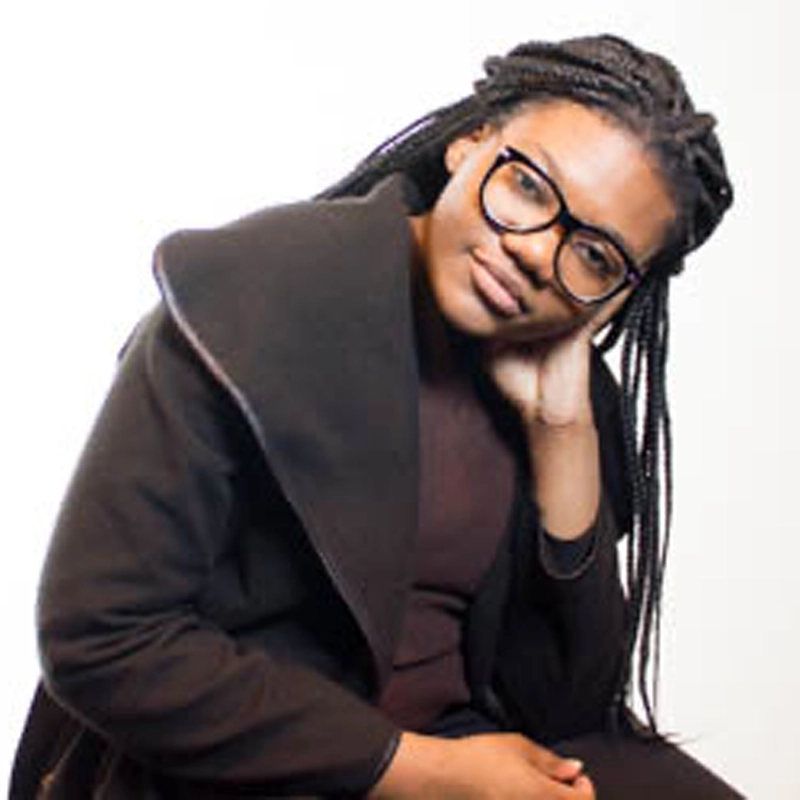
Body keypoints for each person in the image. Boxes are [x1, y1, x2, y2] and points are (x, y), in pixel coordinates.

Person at [11, 34, 741, 799]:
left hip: (463, 748)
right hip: (248, 764)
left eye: (594, 255)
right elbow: (100, 636)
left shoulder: (570, 397)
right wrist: (421, 771)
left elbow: (566, 709)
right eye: (529, 187)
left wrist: (563, 436)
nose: (534, 251)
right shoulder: (249, 295)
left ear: (624, 293)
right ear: (472, 142)